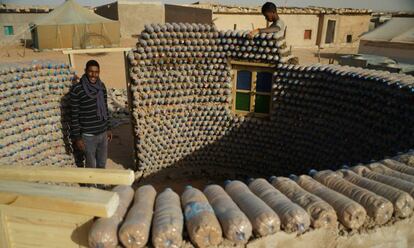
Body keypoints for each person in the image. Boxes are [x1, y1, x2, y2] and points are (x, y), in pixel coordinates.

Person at [70, 60, 112, 169]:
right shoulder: (77, 90)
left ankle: (101, 185)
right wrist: (77, 138)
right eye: (91, 72)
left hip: (102, 134)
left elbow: (105, 109)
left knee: (102, 164)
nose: (93, 75)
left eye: (96, 72)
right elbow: (74, 116)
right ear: (85, 71)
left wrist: (108, 128)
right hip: (88, 137)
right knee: (91, 166)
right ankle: (91, 186)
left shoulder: (101, 87)